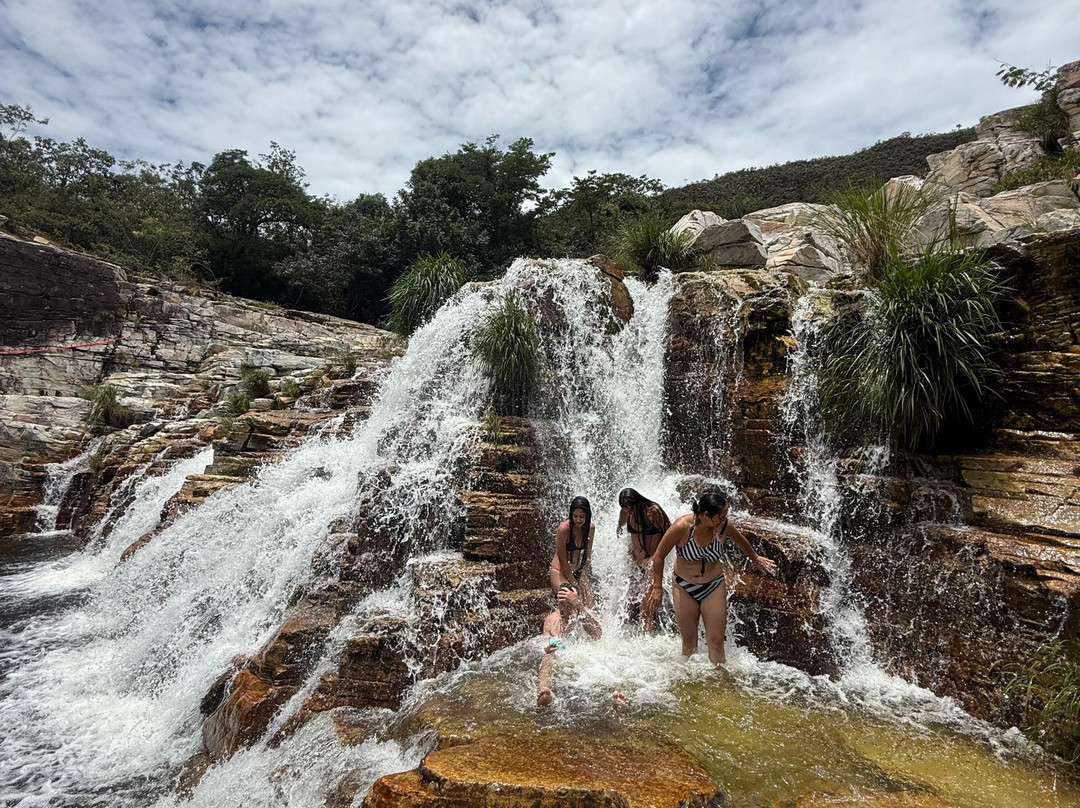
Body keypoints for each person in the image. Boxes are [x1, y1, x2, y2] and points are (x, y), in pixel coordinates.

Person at [643, 491, 777, 665]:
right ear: (706, 516)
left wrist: (755, 557)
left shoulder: (723, 527)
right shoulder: (682, 527)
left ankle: (720, 683)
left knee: (716, 641)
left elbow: (741, 541)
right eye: (720, 516)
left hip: (713, 586)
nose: (723, 520)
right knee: (689, 643)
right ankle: (690, 685)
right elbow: (659, 556)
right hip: (684, 586)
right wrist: (657, 588)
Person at [536, 582, 627, 709]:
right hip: (564, 656)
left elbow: (597, 635)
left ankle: (617, 694)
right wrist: (548, 647)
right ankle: (545, 693)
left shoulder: (586, 614)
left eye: (568, 603)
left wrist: (578, 606)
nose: (565, 609)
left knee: (608, 657)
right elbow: (543, 644)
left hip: (587, 656)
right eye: (561, 603)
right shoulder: (551, 620)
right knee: (548, 659)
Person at [616, 488, 671, 632]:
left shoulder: (654, 511)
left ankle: (648, 638)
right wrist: (627, 552)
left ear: (638, 503)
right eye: (626, 510)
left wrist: (655, 557)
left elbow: (670, 536)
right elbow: (619, 532)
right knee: (626, 604)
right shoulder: (625, 512)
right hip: (635, 564)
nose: (629, 513)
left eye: (630, 509)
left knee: (647, 608)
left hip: (653, 564)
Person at [549, 496, 595, 606]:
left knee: (590, 602)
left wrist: (584, 575)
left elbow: (587, 555)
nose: (578, 520)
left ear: (587, 516)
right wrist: (575, 584)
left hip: (577, 571)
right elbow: (563, 561)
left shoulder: (590, 528)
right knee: (569, 600)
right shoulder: (564, 529)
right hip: (559, 571)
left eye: (582, 516)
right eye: (575, 516)